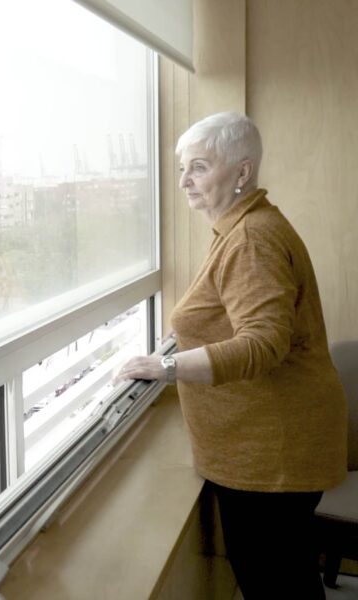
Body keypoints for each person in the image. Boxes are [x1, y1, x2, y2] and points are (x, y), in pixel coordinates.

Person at [114, 112, 348, 599]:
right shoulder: (242, 227)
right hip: (269, 446)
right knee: (285, 575)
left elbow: (261, 344)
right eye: (182, 169)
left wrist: (166, 366)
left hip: (272, 453)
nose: (183, 182)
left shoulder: (251, 239)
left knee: (276, 582)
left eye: (198, 167)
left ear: (241, 173)